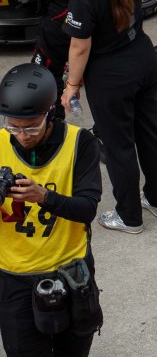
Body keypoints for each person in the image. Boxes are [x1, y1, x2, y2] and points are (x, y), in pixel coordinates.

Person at [60, 0, 157, 234]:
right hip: (143, 60)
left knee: (119, 146)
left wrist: (71, 86)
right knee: (150, 131)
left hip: (110, 77)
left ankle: (129, 216)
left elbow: (80, 47)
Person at [0, 64, 103, 356]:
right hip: (13, 275)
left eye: (32, 127)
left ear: (51, 113)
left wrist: (44, 196)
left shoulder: (80, 144)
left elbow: (87, 209)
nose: (22, 136)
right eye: (14, 127)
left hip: (69, 271)